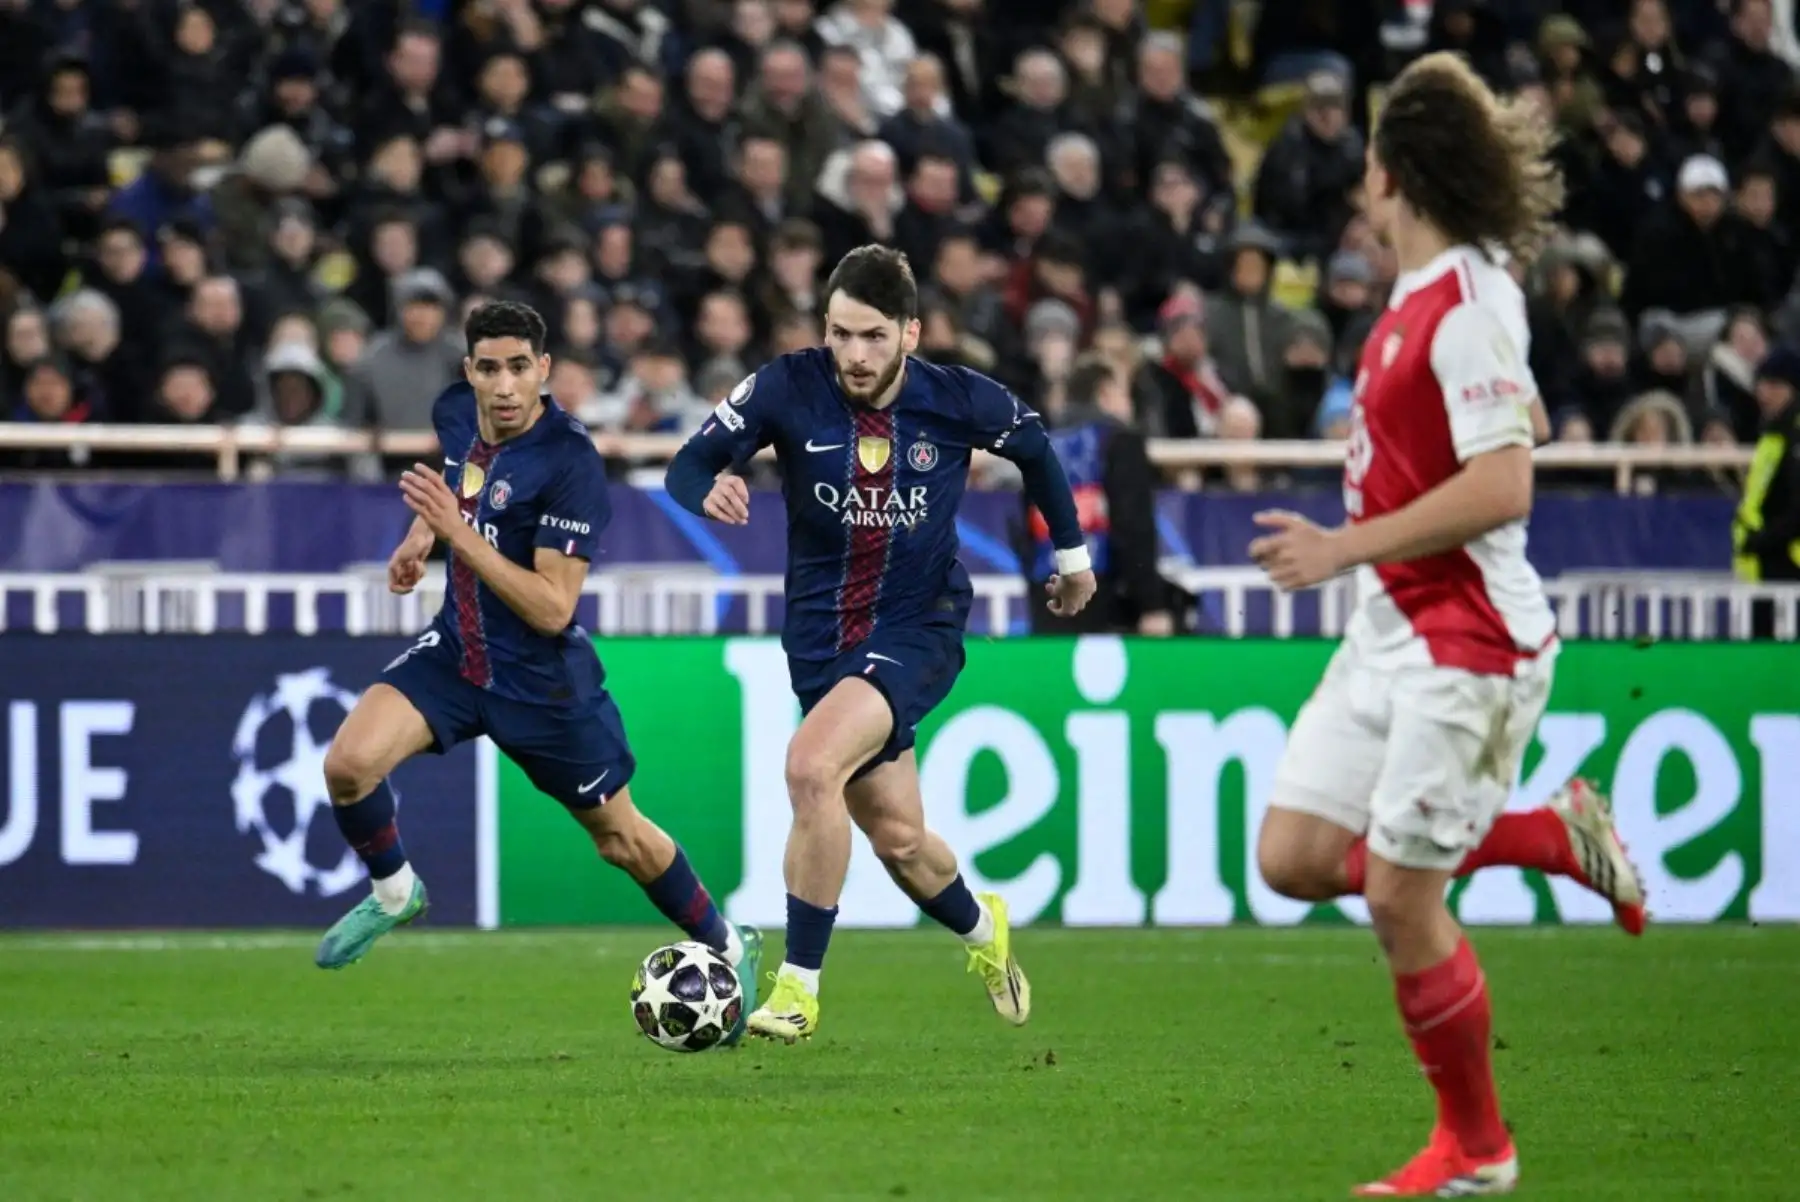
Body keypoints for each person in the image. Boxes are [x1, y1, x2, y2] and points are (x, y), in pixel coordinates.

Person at [1245, 54, 1646, 1196]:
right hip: (1390, 629)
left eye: (1369, 162)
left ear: (1391, 172)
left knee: (1396, 896)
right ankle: (1551, 834)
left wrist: (1339, 547)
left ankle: (1477, 1145)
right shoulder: (1421, 301)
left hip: (1467, 644)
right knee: (1293, 857)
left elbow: (1506, 485)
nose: (1360, 185)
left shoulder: (1468, 301)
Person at [664, 245, 1096, 1043]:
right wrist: (710, 484)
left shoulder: (956, 398)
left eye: (872, 337)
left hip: (918, 623)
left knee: (808, 765)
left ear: (911, 333)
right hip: (822, 638)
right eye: (840, 335)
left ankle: (799, 985)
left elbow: (1036, 448)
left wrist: (1071, 560)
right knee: (898, 839)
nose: (854, 356)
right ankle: (982, 930)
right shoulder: (785, 386)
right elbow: (685, 467)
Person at [316, 301, 762, 1040]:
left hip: (542, 684)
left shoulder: (569, 462)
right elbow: (461, 483)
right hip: (458, 654)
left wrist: (456, 535)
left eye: (519, 368)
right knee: (348, 765)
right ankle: (397, 893)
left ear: (544, 370)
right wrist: (419, 537)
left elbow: (554, 608)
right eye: (489, 368)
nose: (504, 387)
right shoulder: (457, 411)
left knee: (620, 839)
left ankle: (724, 939)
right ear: (468, 372)